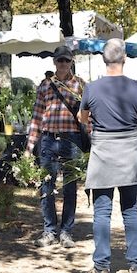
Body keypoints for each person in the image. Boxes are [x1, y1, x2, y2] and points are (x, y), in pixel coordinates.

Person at [78, 38, 137, 273]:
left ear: (103, 59)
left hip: (103, 150)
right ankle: (135, 267)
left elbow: (82, 118)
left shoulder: (91, 88)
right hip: (130, 149)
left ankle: (101, 270)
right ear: (124, 58)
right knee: (130, 210)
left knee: (102, 212)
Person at [26, 46, 87, 248]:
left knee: (70, 188)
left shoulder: (80, 86)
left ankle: (66, 231)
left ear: (71, 62)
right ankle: (49, 230)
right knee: (46, 187)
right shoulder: (45, 85)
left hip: (72, 140)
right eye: (59, 60)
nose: (63, 64)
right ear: (54, 62)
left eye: (66, 61)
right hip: (49, 140)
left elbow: (88, 117)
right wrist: (29, 145)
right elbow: (37, 116)